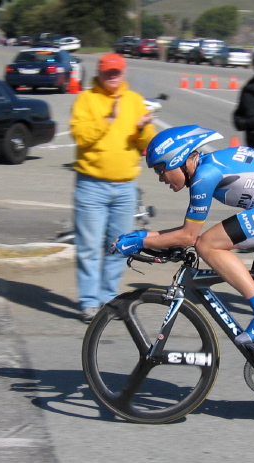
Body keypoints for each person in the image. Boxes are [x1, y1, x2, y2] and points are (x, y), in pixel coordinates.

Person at [112, 125, 254, 344]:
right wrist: (143, 236)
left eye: (160, 169)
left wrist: (140, 240)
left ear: (177, 160)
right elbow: (185, 233)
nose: (161, 178)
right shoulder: (208, 166)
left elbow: (188, 237)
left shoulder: (205, 175)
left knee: (207, 245)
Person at [70, 52, 155, 323]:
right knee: (88, 246)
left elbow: (147, 143)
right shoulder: (86, 99)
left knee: (119, 246)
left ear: (124, 71)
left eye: (117, 71)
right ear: (100, 72)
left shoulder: (135, 101)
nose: (113, 76)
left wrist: (143, 128)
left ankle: (108, 299)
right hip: (91, 185)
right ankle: (89, 303)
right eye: (108, 72)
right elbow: (81, 137)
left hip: (125, 186)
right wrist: (107, 120)